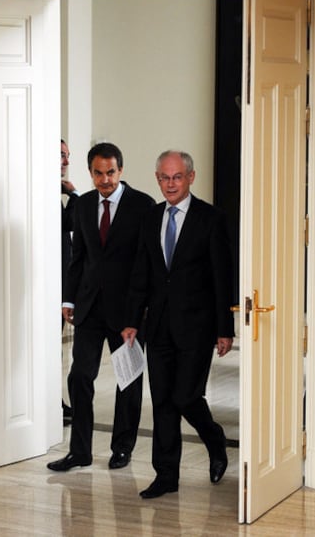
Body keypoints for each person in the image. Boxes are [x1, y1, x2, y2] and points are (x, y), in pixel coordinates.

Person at [121, 150, 235, 499]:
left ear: (191, 177)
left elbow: (222, 276)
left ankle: (215, 441)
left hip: (198, 328)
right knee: (163, 403)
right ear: (157, 179)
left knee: (186, 396)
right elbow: (142, 271)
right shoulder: (150, 218)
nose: (170, 184)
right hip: (158, 328)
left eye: (177, 177)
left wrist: (224, 328)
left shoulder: (211, 219)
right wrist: (131, 321)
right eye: (164, 177)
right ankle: (166, 475)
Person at [47, 141, 155, 472]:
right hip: (90, 308)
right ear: (90, 172)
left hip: (128, 312)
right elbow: (77, 258)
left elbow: (146, 263)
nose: (104, 179)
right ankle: (79, 451)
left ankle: (122, 448)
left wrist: (139, 312)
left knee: (128, 381)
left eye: (110, 172)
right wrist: (68, 299)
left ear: (120, 170)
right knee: (80, 376)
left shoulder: (143, 205)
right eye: (97, 173)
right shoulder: (83, 206)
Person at [61, 139, 79, 425]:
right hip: (45, 287)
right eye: (60, 156)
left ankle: (55, 402)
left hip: (61, 286)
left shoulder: (58, 193)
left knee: (54, 350)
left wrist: (73, 195)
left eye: (66, 156)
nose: (65, 162)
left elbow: (72, 223)